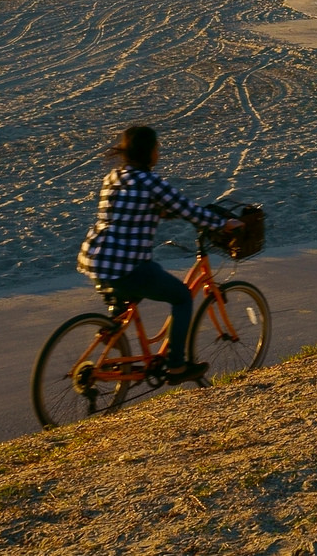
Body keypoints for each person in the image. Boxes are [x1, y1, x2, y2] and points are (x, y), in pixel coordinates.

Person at [77, 125, 242, 385]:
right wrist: (222, 224)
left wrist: (162, 212)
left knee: (130, 294)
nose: (158, 152)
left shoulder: (114, 176)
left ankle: (114, 328)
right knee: (181, 297)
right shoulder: (151, 182)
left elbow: (131, 210)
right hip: (126, 264)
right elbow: (188, 209)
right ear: (149, 152)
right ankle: (176, 366)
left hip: (95, 258)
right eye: (157, 148)